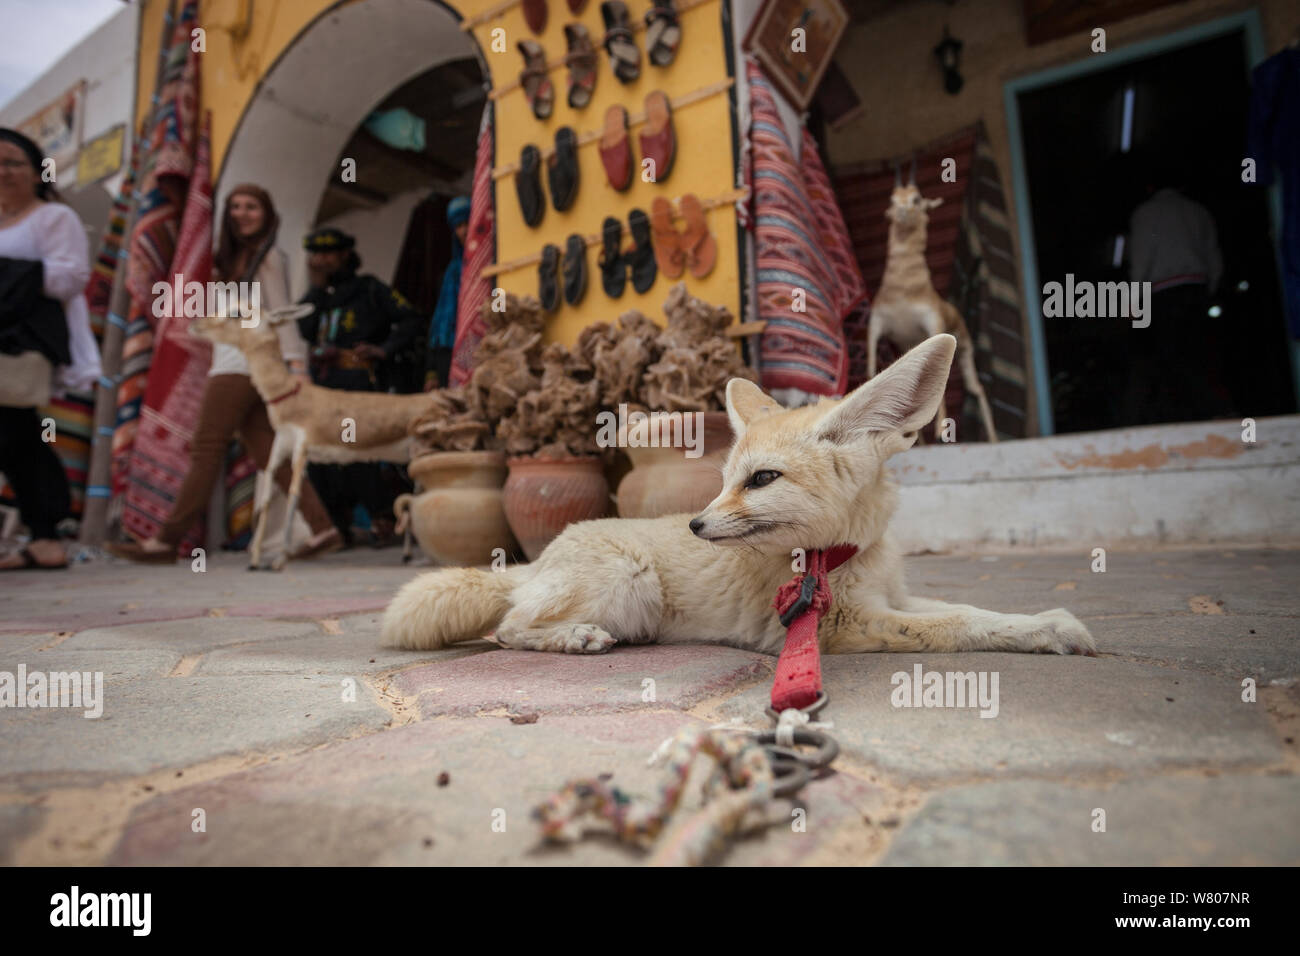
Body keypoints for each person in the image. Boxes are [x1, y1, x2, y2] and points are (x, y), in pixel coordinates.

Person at [108, 184, 342, 563]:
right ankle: (322, 528)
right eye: (235, 207)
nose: (242, 213)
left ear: (266, 213)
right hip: (235, 364)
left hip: (241, 365)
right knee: (268, 452)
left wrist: (298, 367)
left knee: (206, 448)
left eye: (251, 206)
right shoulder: (229, 263)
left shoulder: (268, 258)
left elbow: (281, 315)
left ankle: (167, 540)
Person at [0, 128, 100, 570]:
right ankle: (44, 534)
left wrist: (7, 274)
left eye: (12, 162)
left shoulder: (55, 219)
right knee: (18, 436)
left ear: (38, 171)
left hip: (24, 343)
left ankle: (46, 530)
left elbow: (72, 277)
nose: (2, 172)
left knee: (13, 430)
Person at [297, 227, 423, 546]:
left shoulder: (369, 288)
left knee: (357, 448)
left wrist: (384, 350)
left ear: (344, 255)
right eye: (315, 255)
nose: (320, 260)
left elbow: (411, 319)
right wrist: (316, 289)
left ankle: (383, 518)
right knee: (322, 453)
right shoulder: (317, 296)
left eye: (327, 254)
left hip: (360, 385)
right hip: (325, 388)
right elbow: (306, 330)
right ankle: (338, 526)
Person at [1127, 166, 1226, 423]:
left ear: (1149, 187)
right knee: (1201, 353)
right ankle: (1213, 410)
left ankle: (1185, 416)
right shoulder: (1198, 212)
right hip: (1196, 289)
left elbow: (1141, 260)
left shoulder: (1146, 214)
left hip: (1164, 294)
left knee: (1171, 356)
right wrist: (1209, 289)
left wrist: (1133, 301)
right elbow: (1214, 257)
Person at [424, 195, 470, 391]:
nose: (463, 231)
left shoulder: (490, 267)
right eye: (458, 226)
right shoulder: (450, 274)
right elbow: (437, 326)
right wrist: (432, 371)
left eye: (468, 223)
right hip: (447, 353)